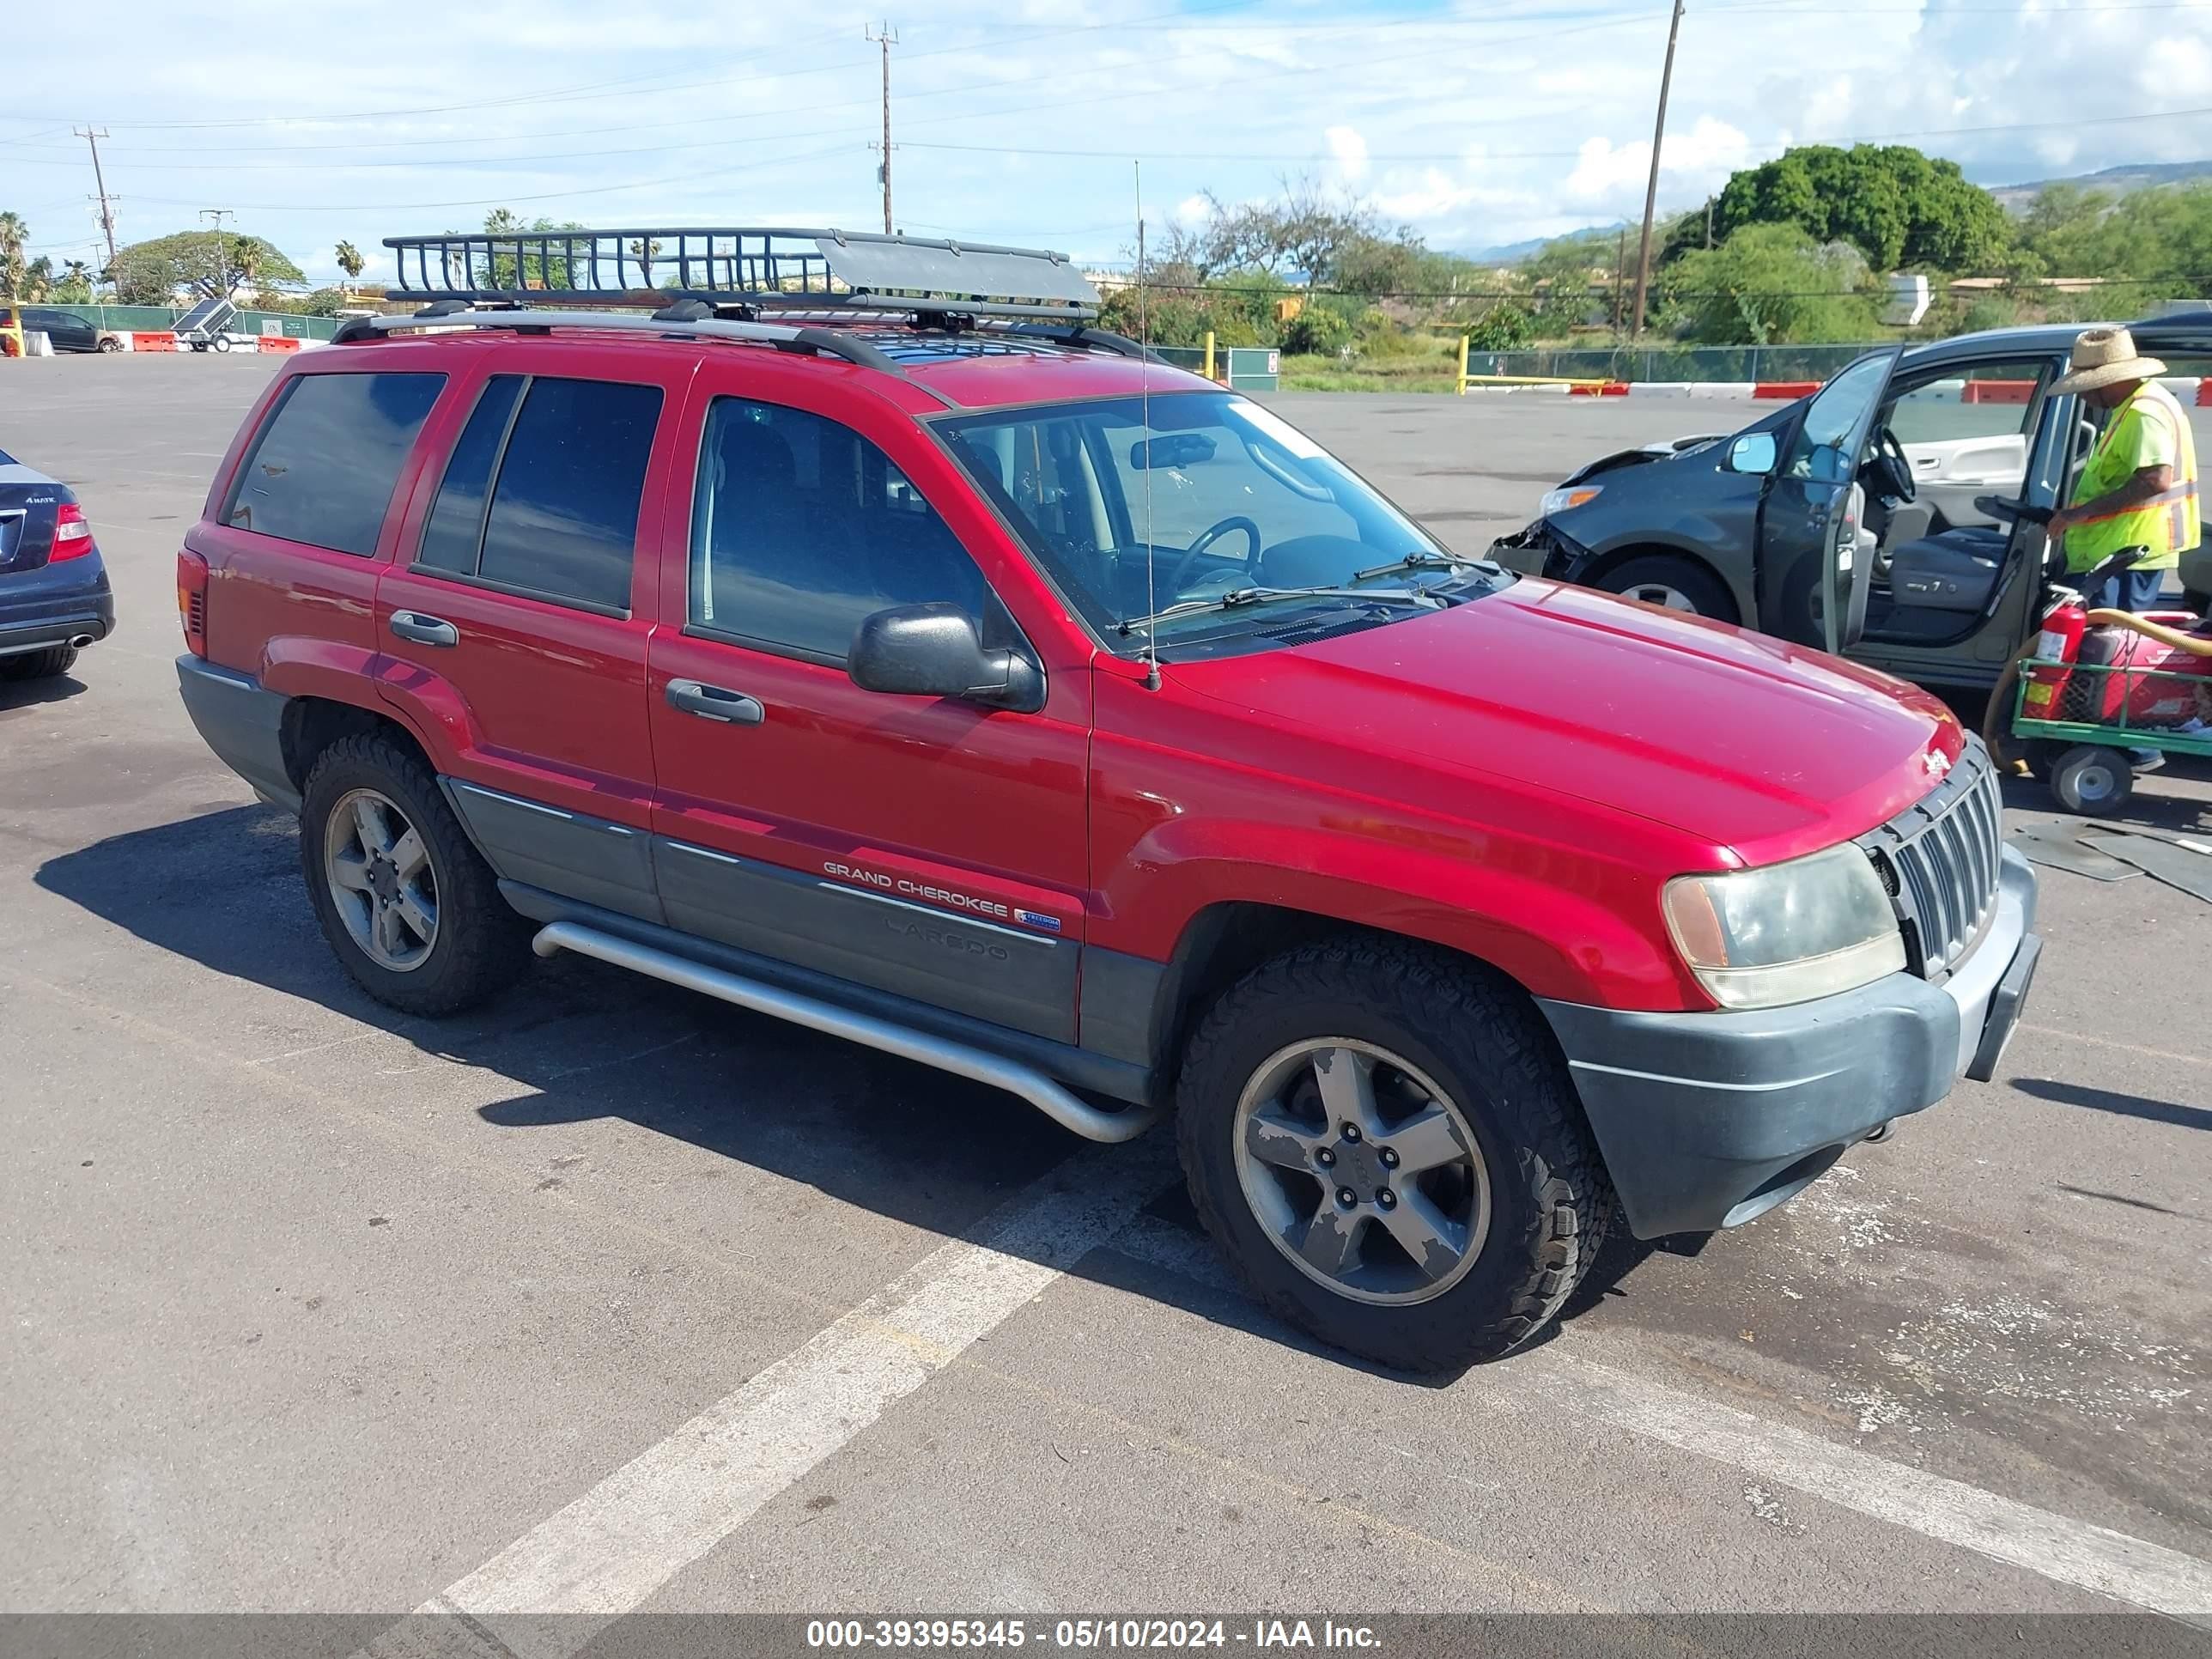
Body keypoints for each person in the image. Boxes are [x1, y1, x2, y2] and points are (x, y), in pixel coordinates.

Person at [2044, 326, 2200, 612]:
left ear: (2105, 383)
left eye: (2084, 387)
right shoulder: (2137, 404)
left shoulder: (2143, 412)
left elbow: (2154, 480)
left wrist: (2079, 513)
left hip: (2123, 557)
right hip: (2116, 555)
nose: (2082, 397)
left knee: (2107, 644)